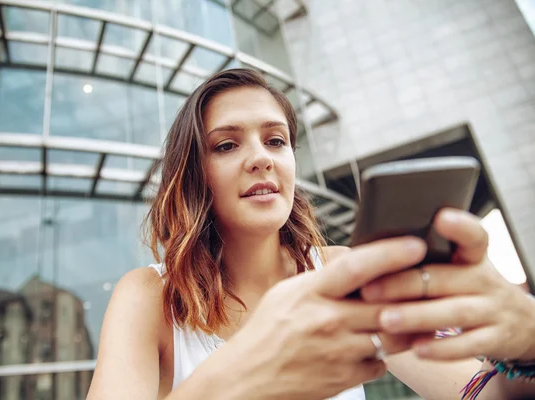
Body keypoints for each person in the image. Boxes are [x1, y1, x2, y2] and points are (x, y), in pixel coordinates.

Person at [87, 69, 535, 400]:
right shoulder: (149, 296)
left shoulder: (341, 273)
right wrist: (244, 375)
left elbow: (478, 394)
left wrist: (524, 338)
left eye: (276, 140)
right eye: (227, 145)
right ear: (194, 175)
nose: (262, 157)